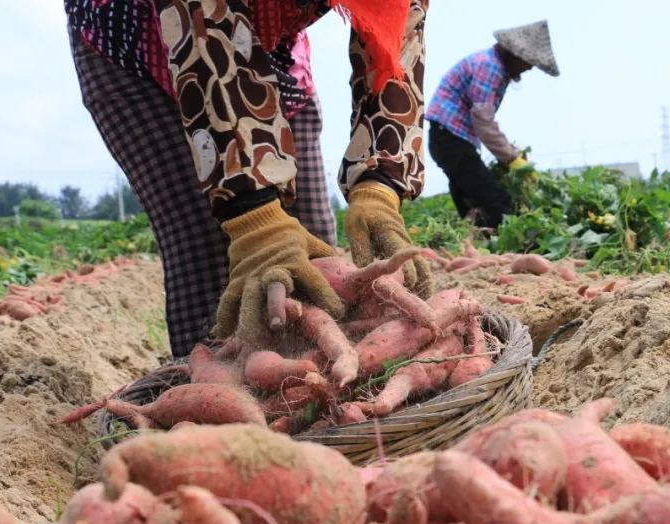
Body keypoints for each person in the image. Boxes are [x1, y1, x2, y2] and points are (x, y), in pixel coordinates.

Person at [64, 0, 433, 358]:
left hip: (274, 53)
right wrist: (253, 218)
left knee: (315, 254)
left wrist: (379, 185)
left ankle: (328, 395)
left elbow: (396, 36)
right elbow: (205, 29)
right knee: (219, 260)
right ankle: (212, 402)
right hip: (136, 41)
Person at [426, 20, 559, 230]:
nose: (530, 68)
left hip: (450, 140)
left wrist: (512, 153)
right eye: (529, 62)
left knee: (474, 207)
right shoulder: (490, 67)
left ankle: (478, 251)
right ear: (515, 54)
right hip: (450, 141)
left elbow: (483, 122)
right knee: (498, 206)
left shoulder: (492, 64)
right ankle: (512, 252)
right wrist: (512, 159)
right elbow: (484, 124)